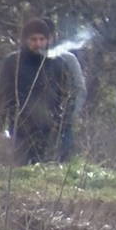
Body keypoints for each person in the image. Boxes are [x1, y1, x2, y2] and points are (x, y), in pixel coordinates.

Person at [0, 18, 73, 166]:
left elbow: (67, 95)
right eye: (33, 39)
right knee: (20, 171)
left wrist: (64, 122)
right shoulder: (12, 62)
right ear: (25, 40)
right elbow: (1, 95)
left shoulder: (58, 63)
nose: (38, 44)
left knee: (49, 172)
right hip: (20, 127)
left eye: (42, 39)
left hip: (50, 129)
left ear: (48, 39)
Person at [44, 18, 87, 162]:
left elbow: (79, 88)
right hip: (30, 124)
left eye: (45, 36)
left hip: (63, 120)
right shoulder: (22, 60)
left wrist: (72, 114)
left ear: (52, 36)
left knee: (63, 162)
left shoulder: (67, 59)